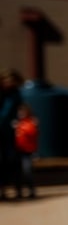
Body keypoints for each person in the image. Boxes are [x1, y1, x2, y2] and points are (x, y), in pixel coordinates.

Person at [0, 69, 23, 200]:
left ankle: (15, 188)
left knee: (11, 160)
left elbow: (13, 112)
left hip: (10, 132)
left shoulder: (15, 94)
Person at [13, 102, 38, 199]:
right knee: (17, 172)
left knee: (27, 171)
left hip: (27, 152)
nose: (21, 114)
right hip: (17, 151)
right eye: (20, 112)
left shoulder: (30, 123)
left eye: (23, 112)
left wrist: (20, 128)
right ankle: (18, 191)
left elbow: (32, 133)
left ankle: (31, 190)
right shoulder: (17, 123)